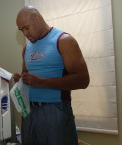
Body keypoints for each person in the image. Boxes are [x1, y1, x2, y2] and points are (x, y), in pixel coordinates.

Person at [13, 6, 90, 145]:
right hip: (29, 112)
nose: (25, 33)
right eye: (21, 30)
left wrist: (42, 82)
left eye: (26, 28)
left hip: (56, 110)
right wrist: (21, 79)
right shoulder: (26, 48)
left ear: (38, 18)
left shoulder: (64, 40)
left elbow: (83, 80)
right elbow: (27, 75)